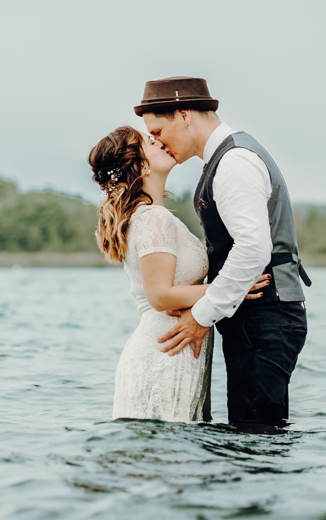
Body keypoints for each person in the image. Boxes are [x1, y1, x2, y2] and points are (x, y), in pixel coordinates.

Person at [137, 76, 310, 431]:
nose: (157, 142)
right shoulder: (226, 157)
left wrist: (201, 315)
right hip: (258, 320)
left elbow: (253, 248)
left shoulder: (234, 162)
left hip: (265, 317)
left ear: (184, 114)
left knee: (255, 441)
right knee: (258, 438)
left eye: (157, 130)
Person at [87, 125, 269, 422]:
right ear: (139, 163)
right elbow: (160, 296)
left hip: (174, 347)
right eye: (149, 141)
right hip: (163, 352)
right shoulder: (153, 219)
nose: (158, 140)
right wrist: (232, 288)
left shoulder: (154, 215)